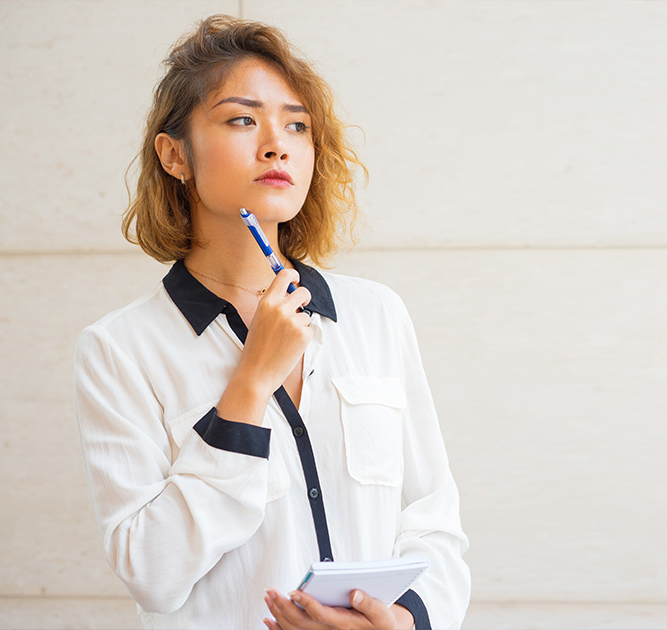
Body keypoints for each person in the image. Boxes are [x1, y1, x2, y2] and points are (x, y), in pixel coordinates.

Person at [72, 15, 470, 630]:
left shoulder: (376, 315)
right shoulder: (120, 350)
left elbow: (433, 523)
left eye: (296, 125)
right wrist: (248, 386)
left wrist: (399, 621)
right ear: (175, 155)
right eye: (240, 119)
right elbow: (150, 571)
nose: (276, 143)